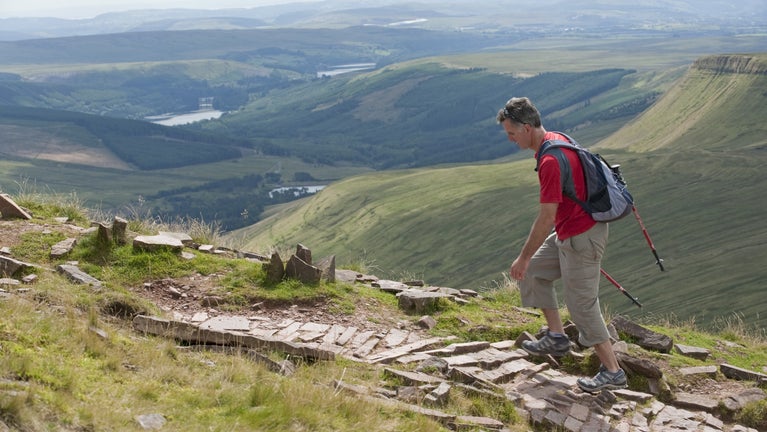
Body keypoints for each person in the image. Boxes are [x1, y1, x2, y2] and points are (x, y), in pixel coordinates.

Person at [496, 96, 627, 393]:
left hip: (582, 237)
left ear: (527, 128)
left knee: (581, 306)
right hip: (570, 233)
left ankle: (613, 371)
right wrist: (528, 263)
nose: (510, 139)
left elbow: (546, 217)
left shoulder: (550, 160)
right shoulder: (557, 139)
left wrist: (523, 256)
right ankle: (556, 337)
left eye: (512, 133)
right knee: (534, 273)